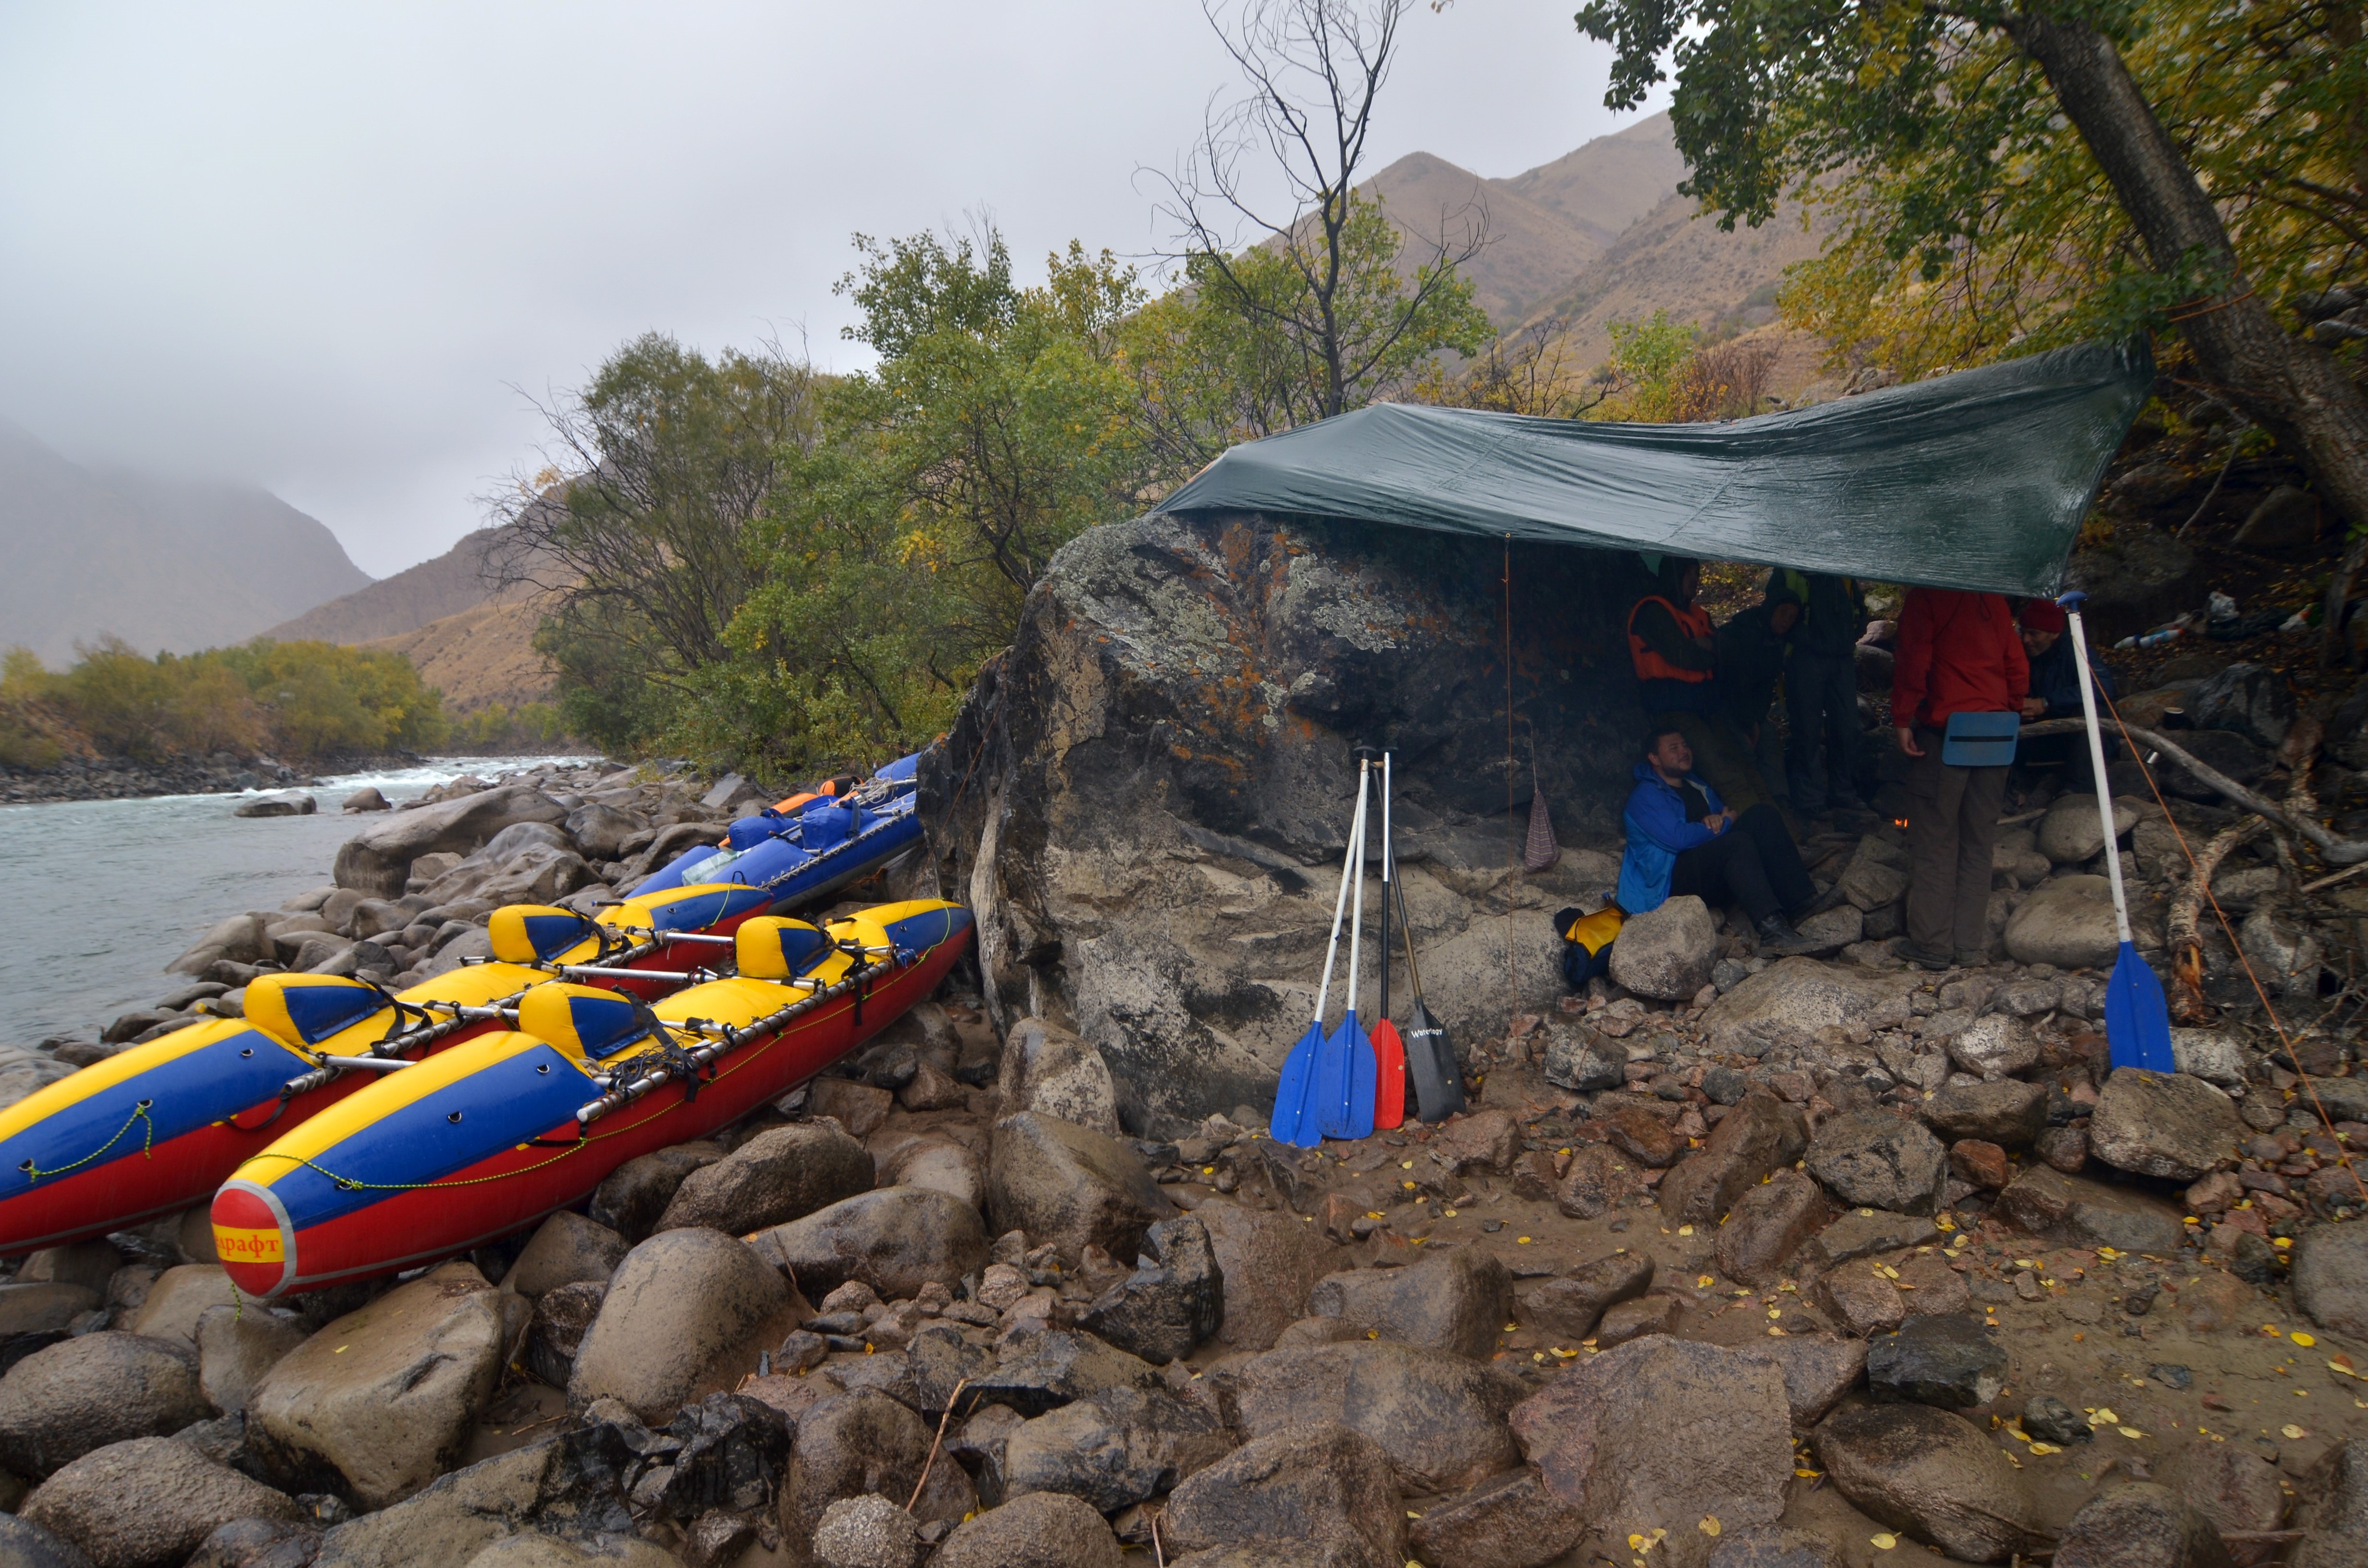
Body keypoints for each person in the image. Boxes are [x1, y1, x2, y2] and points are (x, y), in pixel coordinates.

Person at [1891, 587, 2032, 971]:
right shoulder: (1995, 600)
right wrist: (2011, 709)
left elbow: (1914, 659)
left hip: (1947, 733)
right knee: (1979, 839)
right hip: (1997, 733)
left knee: (1936, 837)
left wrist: (1902, 718)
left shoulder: (1928, 596)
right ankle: (1968, 945)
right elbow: (2017, 666)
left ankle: (1933, 944)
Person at [1616, 723, 1820, 953]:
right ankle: (1772, 930)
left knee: (1762, 816)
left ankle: (1800, 901)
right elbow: (1679, 839)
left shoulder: (1696, 784)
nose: (1683, 751)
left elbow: (1725, 813)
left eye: (1685, 745)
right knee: (1735, 843)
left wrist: (1723, 821)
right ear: (1654, 758)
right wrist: (1722, 825)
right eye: (1673, 748)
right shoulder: (1645, 797)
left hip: (1710, 870)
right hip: (1670, 883)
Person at [1627, 556, 1772, 813]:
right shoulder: (1653, 611)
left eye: (1697, 574)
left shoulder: (1697, 614)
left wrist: (1708, 649)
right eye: (1689, 574)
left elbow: (1729, 655)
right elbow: (1685, 657)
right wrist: (1710, 650)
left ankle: (1787, 835)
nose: (1695, 581)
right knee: (1725, 774)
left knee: (1745, 766)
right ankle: (1766, 835)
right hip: (1675, 711)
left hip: (1708, 706)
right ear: (1674, 576)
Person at [1769, 569, 1870, 819]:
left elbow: (1859, 607)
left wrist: (1853, 634)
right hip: (1805, 657)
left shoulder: (1841, 570)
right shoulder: (1789, 570)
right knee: (1806, 728)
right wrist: (1808, 639)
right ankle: (1809, 799)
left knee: (1848, 726)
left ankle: (1843, 793)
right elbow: (1774, 610)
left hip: (1841, 659)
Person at [2015, 597, 2118, 789]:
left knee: (2089, 710)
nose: (2026, 640)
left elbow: (2102, 687)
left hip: (2071, 740)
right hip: (2035, 738)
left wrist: (2046, 704)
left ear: (2053, 634)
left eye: (2034, 634)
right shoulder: (2019, 653)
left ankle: (2080, 791)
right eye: (2024, 633)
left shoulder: (2075, 651)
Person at [1715, 581, 1803, 803]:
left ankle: (1780, 802)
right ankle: (1754, 803)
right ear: (1770, 609)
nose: (1786, 620)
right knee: (1744, 751)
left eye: (1792, 617)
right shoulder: (1743, 634)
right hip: (1723, 707)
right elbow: (1737, 684)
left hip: (1752, 712)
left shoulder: (1775, 641)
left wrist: (1757, 719)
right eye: (1783, 612)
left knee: (1771, 743)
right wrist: (1749, 723)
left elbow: (1766, 687)